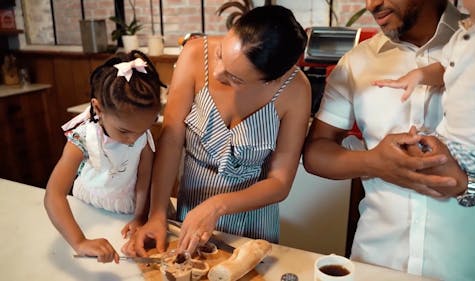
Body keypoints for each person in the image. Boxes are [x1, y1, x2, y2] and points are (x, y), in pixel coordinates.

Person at [303, 0, 475, 280]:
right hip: (373, 264)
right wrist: (374, 163)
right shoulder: (356, 62)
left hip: (474, 268)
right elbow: (315, 154)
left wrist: (466, 185)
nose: (372, 4)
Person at [122, 5, 311, 256]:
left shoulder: (295, 90)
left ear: (270, 80)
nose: (219, 73)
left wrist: (218, 206)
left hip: (253, 224)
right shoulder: (194, 54)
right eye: (221, 54)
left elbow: (279, 183)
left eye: (237, 79)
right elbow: (171, 140)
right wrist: (157, 214)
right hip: (190, 211)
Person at [44, 50, 166, 263]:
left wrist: (139, 216)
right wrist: (80, 241)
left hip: (124, 213)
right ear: (98, 108)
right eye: (125, 132)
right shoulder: (83, 137)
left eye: (143, 129)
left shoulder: (141, 135)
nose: (133, 139)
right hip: (85, 210)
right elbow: (53, 195)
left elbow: (144, 179)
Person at [372, 0, 475, 179]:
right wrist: (419, 75)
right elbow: (446, 67)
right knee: (416, 152)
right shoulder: (462, 34)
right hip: (455, 140)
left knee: (426, 161)